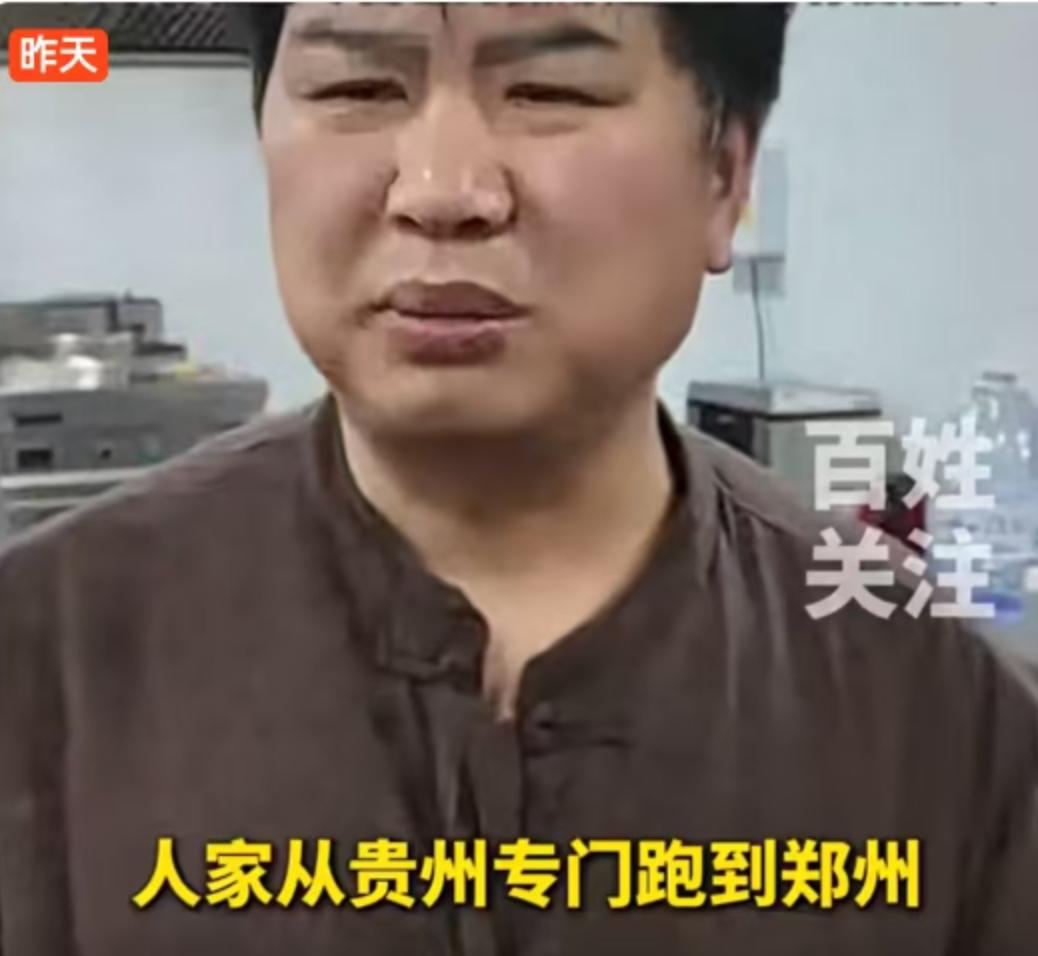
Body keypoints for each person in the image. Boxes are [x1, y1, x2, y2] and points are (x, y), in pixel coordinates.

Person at [1, 4, 1036, 954]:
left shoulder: (942, 717)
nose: (442, 192)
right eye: (358, 87)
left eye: (548, 91)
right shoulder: (44, 662)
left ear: (724, 176)